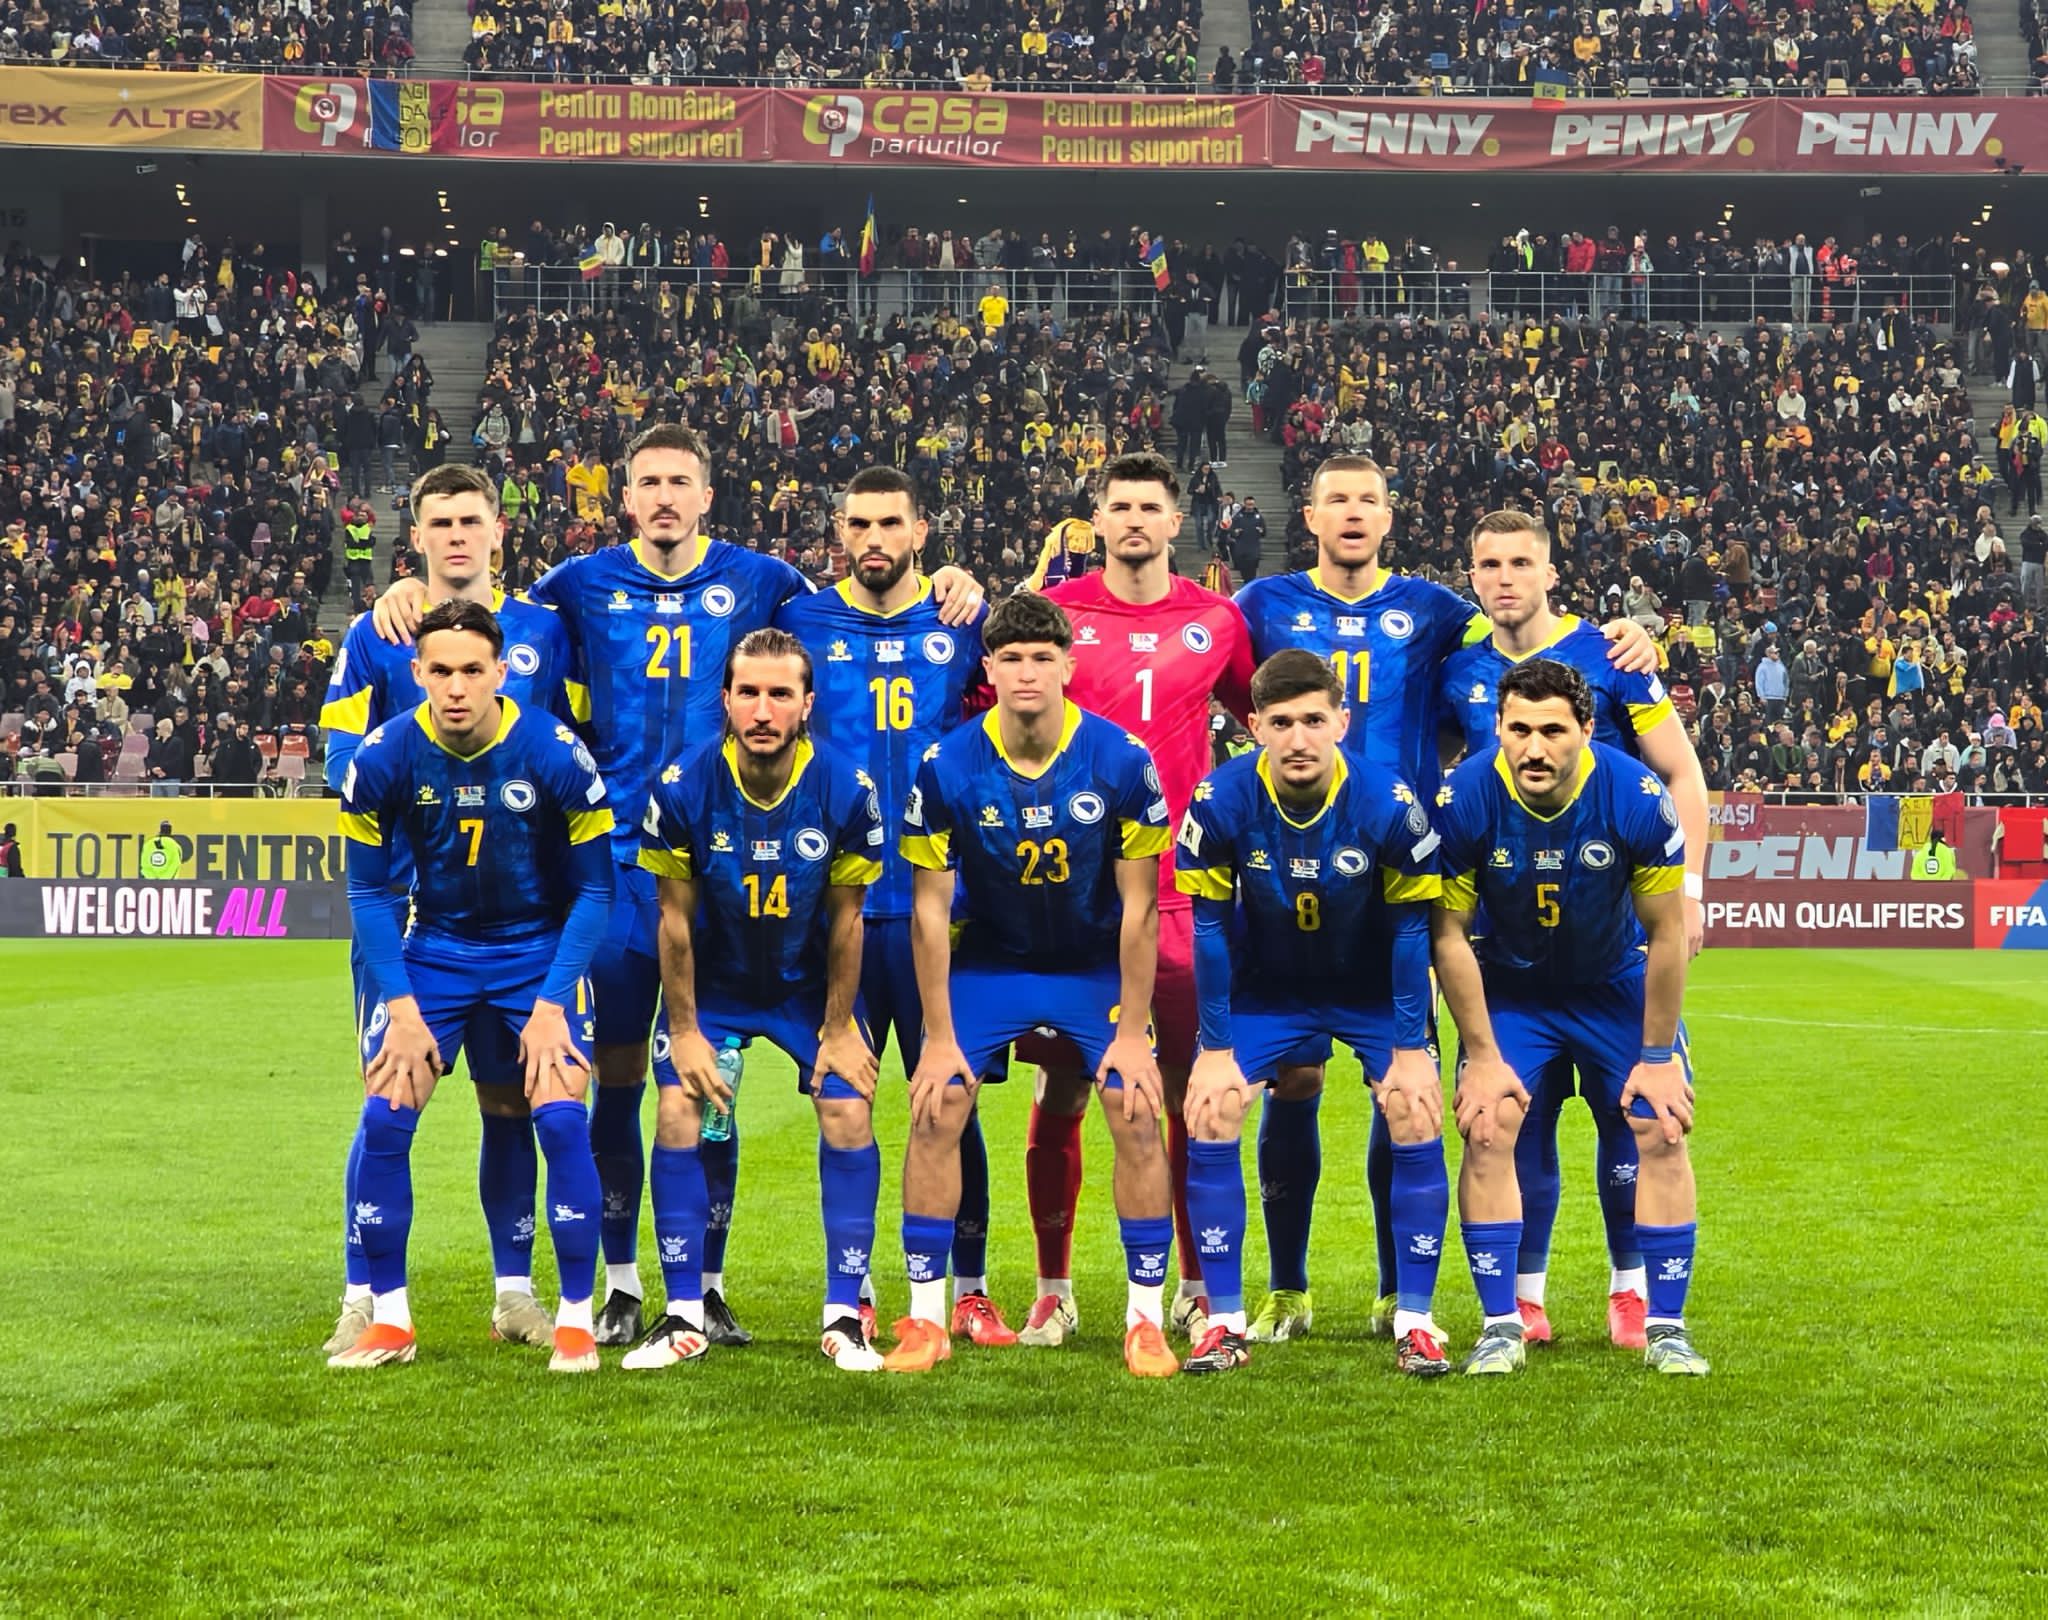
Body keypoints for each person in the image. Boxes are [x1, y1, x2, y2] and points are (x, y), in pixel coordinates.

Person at [370, 424, 984, 1350]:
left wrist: (953, 582)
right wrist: (418, 592)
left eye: (679, 482)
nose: (664, 497)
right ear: (626, 499)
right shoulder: (577, 586)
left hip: (732, 872)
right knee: (618, 1078)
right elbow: (496, 616)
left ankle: (710, 1286)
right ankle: (622, 1284)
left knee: (711, 1073)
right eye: (648, 482)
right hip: (615, 873)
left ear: (706, 496)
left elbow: (867, 601)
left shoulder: (767, 583)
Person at [1232, 456, 1658, 1345]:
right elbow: (1195, 656)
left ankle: (1397, 1292)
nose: (1353, 513)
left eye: (1368, 500)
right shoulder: (1260, 604)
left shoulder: (1438, 613)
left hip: (1404, 883)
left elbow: (1527, 637)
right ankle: (1287, 1286)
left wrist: (1625, 636)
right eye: (1337, 500)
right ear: (1310, 516)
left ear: (1389, 517)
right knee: (1295, 1078)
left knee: (1403, 1078)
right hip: (1289, 868)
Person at [320, 465, 580, 1360]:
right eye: (441, 523)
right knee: (388, 1094)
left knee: (512, 1103)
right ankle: (363, 1297)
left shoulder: (546, 628)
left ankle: (515, 1293)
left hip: (522, 915)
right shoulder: (376, 632)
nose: (458, 536)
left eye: (472, 520)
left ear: (499, 530)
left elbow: (573, 746)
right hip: (408, 916)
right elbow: (342, 761)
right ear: (418, 536)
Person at [1435, 508, 1710, 1345]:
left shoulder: (1614, 653)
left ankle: (1634, 1291)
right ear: (1472, 577)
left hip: (1610, 922)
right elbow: (1439, 769)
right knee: (1517, 1119)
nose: (1505, 578)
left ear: (1551, 573)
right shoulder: (1457, 669)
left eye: (1522, 563)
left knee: (1634, 1115)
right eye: (1489, 565)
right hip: (1511, 935)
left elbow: (1682, 774)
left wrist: (1690, 888)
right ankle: (1521, 1300)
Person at [886, 592, 1178, 1378]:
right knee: (938, 1102)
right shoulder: (947, 764)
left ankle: (1145, 1322)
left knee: (1135, 1105)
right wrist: (938, 1037)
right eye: (1010, 658)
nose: (1026, 672)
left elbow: (1141, 907)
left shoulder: (1120, 759)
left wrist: (1131, 1033)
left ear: (1067, 667)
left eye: (1042, 658)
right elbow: (928, 909)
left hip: (1090, 966)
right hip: (993, 963)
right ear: (988, 668)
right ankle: (924, 1320)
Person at [774, 469, 1014, 1346]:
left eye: (890, 523)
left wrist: (976, 590)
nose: (873, 539)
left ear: (921, 530)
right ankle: (858, 1287)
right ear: (839, 531)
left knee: (951, 1100)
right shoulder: (801, 622)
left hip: (940, 909)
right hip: (833, 908)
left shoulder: (963, 625)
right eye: (859, 524)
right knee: (842, 1101)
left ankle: (971, 1289)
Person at [1024, 452, 1256, 1354]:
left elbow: (1265, 718)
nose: (1132, 520)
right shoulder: (1059, 614)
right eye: (1117, 506)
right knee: (1063, 1086)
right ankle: (1053, 1290)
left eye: (1148, 507)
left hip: (1180, 896)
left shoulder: (1217, 619)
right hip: (1076, 898)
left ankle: (1197, 1287)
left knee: (1187, 1093)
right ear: (1098, 519)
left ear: (1174, 521)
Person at [1177, 651, 1450, 1379]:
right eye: (1281, 723)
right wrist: (1215, 1049)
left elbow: (1411, 932)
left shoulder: (1388, 802)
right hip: (1269, 989)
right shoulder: (1220, 798)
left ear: (1341, 722)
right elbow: (1209, 928)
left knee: (1413, 1106)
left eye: (1313, 721)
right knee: (1213, 1107)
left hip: (1369, 987)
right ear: (1253, 726)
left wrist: (1410, 1045)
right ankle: (1225, 1321)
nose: (1298, 739)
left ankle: (1415, 1320)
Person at [631, 629, 886, 1372]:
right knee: (679, 1108)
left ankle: (844, 1317)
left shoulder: (846, 789)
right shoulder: (682, 786)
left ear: (807, 704)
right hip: (716, 988)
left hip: (807, 989)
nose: (764, 710)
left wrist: (838, 1028)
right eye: (749, 692)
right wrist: (685, 1030)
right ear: (726, 700)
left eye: (780, 694)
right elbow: (673, 921)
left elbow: (848, 921)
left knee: (848, 1109)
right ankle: (683, 1313)